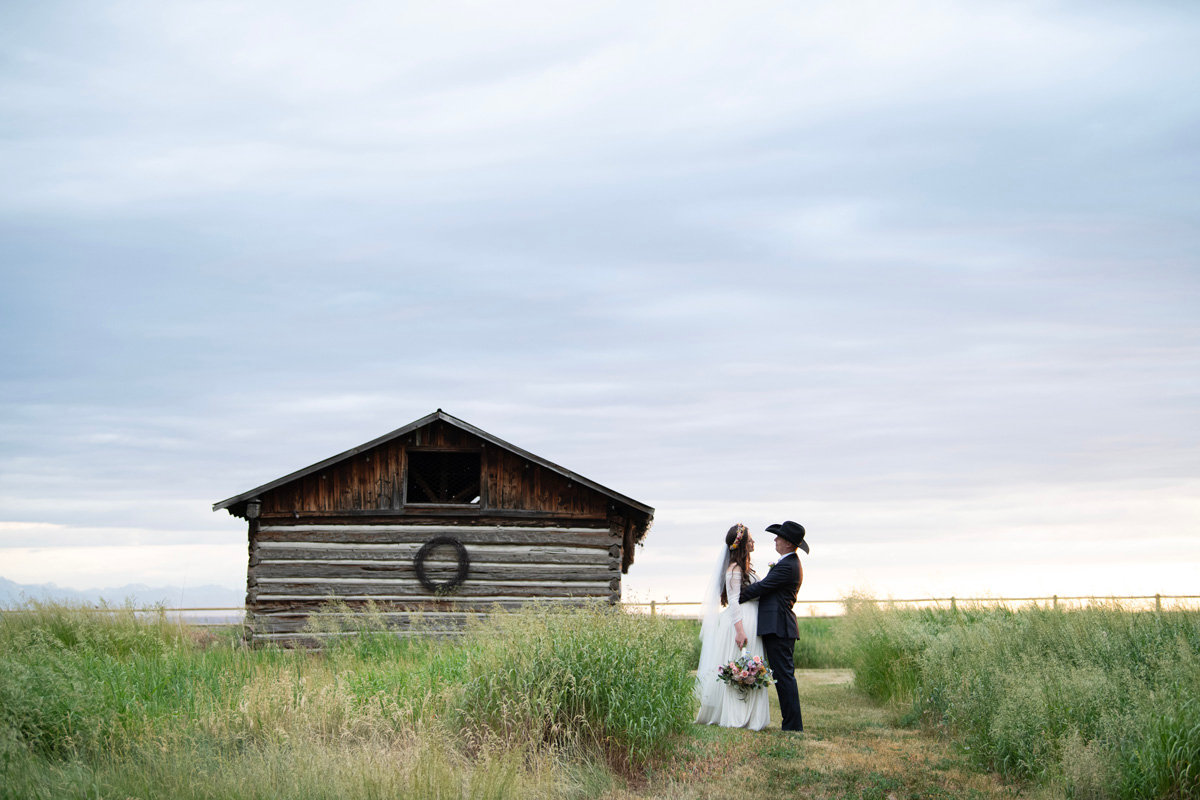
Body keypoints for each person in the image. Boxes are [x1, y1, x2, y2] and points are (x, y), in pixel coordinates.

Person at [695, 523, 770, 730]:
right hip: (741, 621)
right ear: (743, 544)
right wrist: (739, 630)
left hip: (751, 618)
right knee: (741, 663)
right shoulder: (734, 570)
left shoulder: (746, 568)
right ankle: (736, 713)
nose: (754, 541)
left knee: (751, 663)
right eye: (751, 539)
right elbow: (734, 600)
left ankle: (751, 713)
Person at [739, 520, 808, 732]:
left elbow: (763, 587)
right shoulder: (787, 562)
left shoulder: (789, 566)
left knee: (784, 677)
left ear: (788, 543)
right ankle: (791, 723)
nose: (775, 540)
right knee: (783, 677)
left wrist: (736, 596)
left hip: (780, 628)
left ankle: (793, 726)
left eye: (778, 537)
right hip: (777, 627)